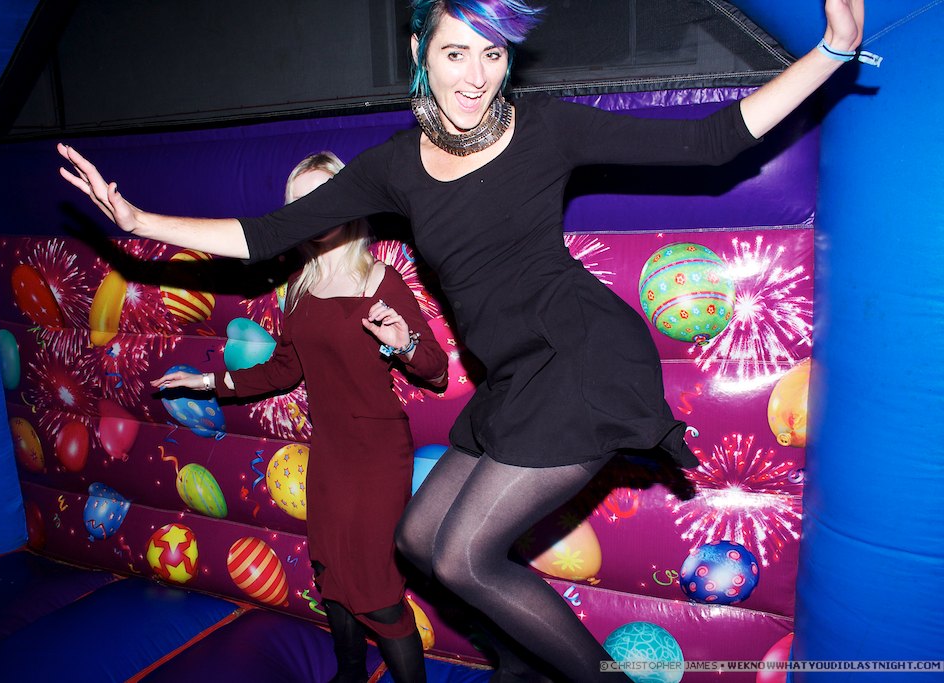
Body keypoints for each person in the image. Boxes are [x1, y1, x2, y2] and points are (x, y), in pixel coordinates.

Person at [60, 1, 866, 678]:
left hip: (582, 357)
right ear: (421, 52)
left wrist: (832, 51)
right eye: (455, 53)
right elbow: (268, 231)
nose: (475, 76)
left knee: (461, 557)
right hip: (513, 377)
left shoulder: (547, 129)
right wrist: (137, 220)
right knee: (417, 538)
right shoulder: (394, 167)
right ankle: (517, 660)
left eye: (492, 54)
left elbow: (711, 140)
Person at [149, 152, 448, 683]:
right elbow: (283, 370)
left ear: (350, 199)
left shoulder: (380, 281)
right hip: (329, 454)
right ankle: (348, 676)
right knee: (331, 577)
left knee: (378, 595)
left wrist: (404, 344)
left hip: (378, 455)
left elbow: (437, 370)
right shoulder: (300, 286)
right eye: (300, 202)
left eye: (324, 196)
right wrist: (208, 382)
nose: (314, 210)